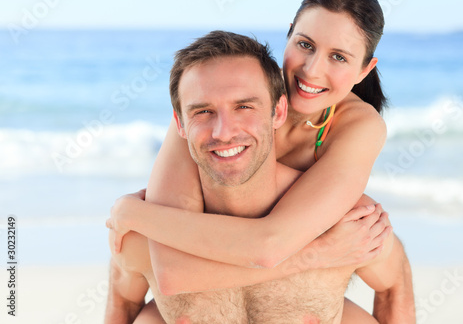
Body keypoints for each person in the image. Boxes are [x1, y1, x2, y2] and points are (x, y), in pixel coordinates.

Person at [105, 30, 414, 323]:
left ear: (278, 112)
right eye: (202, 111)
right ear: (180, 124)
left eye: (244, 106)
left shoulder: (347, 227)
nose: (223, 132)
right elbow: (123, 301)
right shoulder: (144, 230)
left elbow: (394, 280)